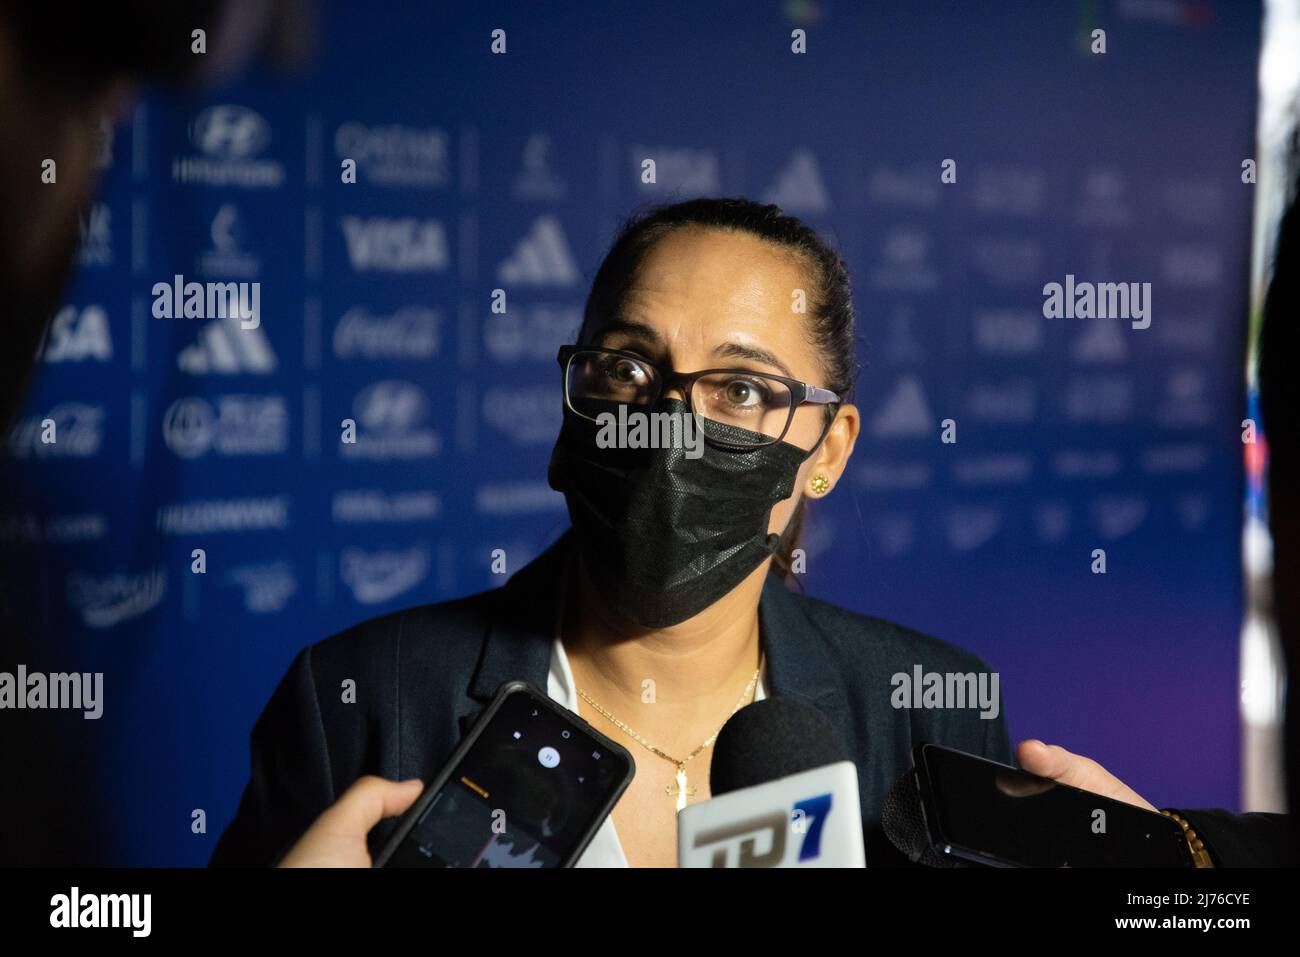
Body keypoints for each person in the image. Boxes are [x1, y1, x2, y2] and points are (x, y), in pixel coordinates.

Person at [215, 196, 1267, 868]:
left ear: (829, 447)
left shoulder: (930, 712)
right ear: (578, 392)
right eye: (630, 367)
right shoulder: (357, 700)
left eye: (741, 389)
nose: (675, 421)